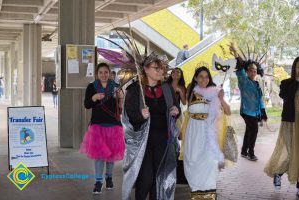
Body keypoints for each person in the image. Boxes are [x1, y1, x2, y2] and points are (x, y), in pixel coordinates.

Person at [122, 52, 181, 200]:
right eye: (157, 68)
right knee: (146, 178)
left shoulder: (167, 88)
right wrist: (140, 115)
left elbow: (175, 107)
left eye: (162, 68)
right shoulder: (135, 89)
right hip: (143, 143)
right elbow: (129, 117)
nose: (161, 71)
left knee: (158, 178)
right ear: (146, 69)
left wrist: (175, 111)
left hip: (164, 141)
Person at [183, 66, 231, 199]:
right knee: (193, 164)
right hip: (193, 134)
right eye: (201, 76)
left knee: (210, 163)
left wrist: (221, 98)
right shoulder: (191, 91)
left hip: (208, 136)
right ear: (195, 78)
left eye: (206, 77)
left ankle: (209, 196)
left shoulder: (215, 92)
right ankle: (197, 195)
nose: (204, 79)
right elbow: (188, 112)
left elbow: (228, 111)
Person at [80, 62, 125, 195]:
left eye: (106, 72)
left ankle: (109, 177)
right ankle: (98, 182)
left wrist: (121, 99)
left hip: (114, 124)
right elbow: (87, 105)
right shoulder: (92, 87)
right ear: (97, 74)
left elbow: (120, 108)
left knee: (111, 154)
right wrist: (94, 97)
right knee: (99, 155)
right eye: (101, 72)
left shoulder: (116, 88)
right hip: (97, 125)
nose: (104, 75)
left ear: (110, 73)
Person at [264, 57, 299, 199]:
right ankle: (278, 173)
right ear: (294, 68)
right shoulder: (286, 84)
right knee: (289, 152)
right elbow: (286, 96)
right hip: (290, 123)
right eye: (298, 67)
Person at [230, 45, 268, 161]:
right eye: (251, 70)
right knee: (254, 130)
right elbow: (240, 65)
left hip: (255, 113)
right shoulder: (243, 80)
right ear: (247, 71)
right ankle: (251, 153)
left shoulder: (257, 84)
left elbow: (260, 99)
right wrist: (236, 52)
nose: (253, 72)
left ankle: (243, 151)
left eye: (255, 71)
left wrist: (263, 112)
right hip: (246, 111)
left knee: (249, 130)